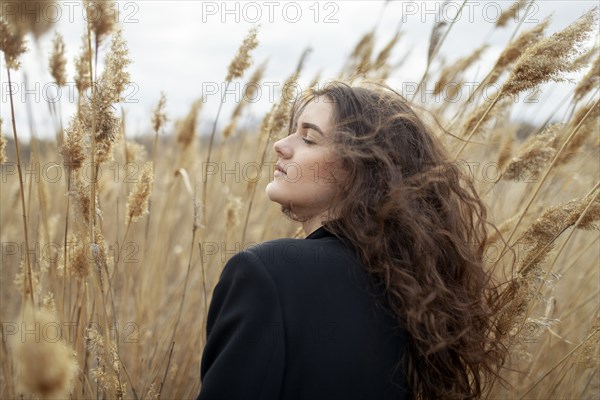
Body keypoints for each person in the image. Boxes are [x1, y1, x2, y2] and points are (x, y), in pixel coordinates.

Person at [197, 81, 506, 400]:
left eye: (308, 138)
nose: (281, 145)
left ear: (360, 169)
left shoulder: (265, 272)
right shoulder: (415, 287)